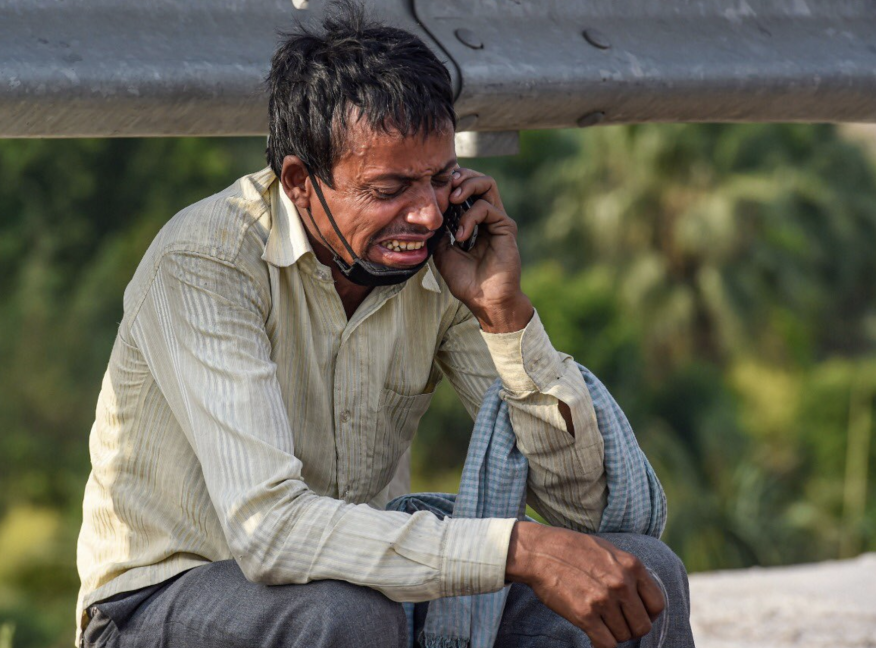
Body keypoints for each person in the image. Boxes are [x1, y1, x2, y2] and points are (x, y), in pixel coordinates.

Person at [75, 4, 693, 647]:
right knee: (346, 616)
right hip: (158, 606)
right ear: (299, 182)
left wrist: (503, 315)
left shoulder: (444, 262)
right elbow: (269, 533)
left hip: (363, 593)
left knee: (644, 576)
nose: (426, 215)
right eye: (390, 188)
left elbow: (588, 515)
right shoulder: (206, 262)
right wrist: (520, 548)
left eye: (439, 180)